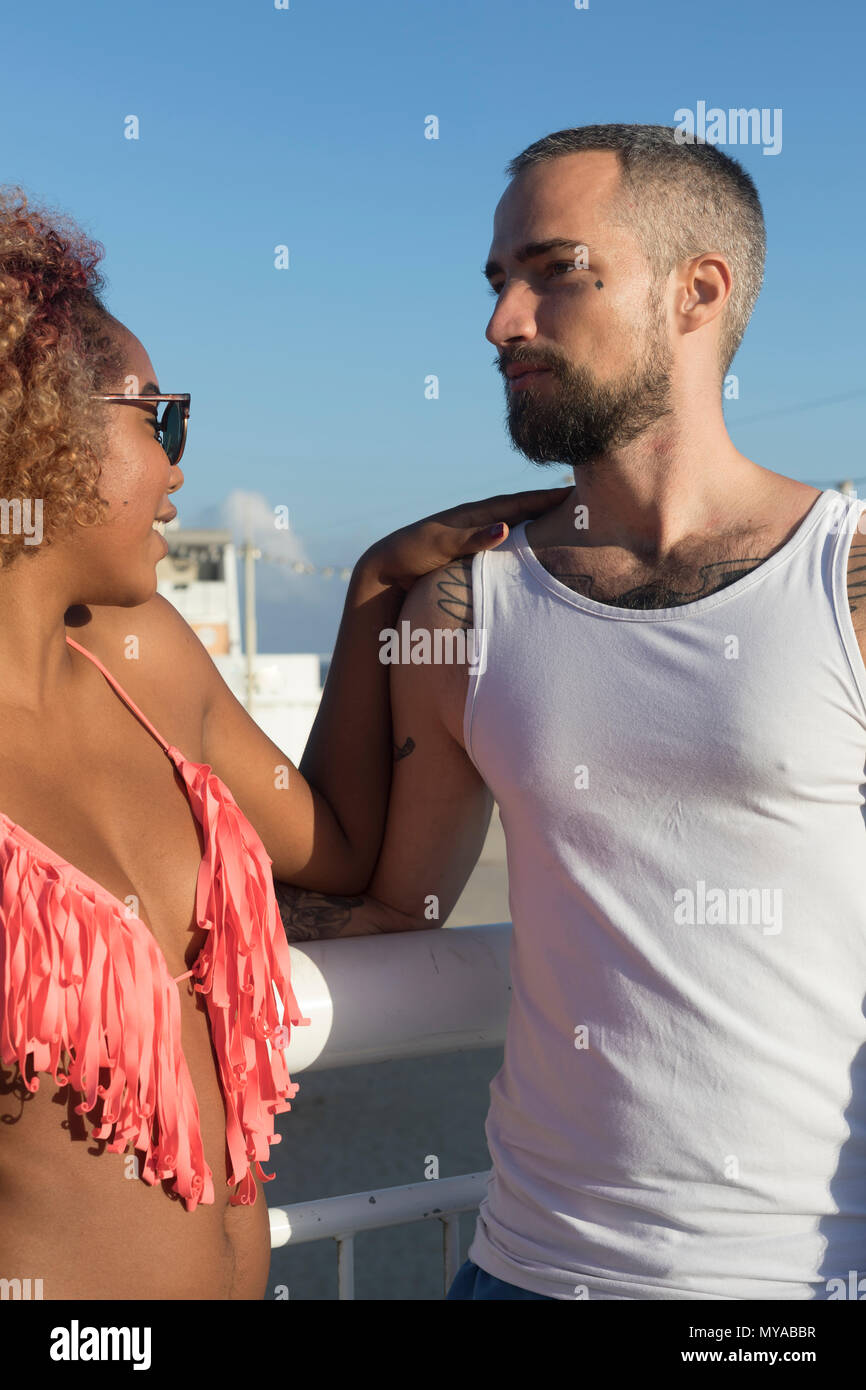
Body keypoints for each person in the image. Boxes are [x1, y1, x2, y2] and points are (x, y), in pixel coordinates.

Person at [271, 124, 866, 1300]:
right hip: (522, 1272)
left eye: (555, 270)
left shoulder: (843, 580)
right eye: (499, 283)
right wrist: (368, 585)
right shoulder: (463, 603)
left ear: (698, 290)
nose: (501, 322)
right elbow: (387, 903)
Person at [0, 185, 568, 1300]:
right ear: (42, 430)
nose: (176, 470)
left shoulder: (143, 657)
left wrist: (371, 589)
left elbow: (344, 851)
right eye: (158, 418)